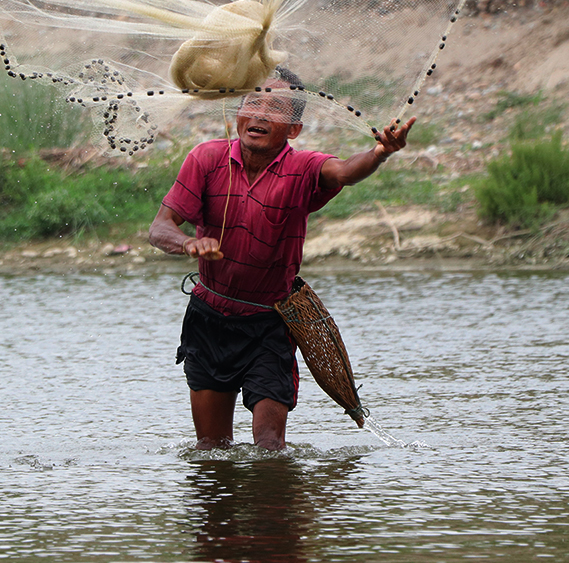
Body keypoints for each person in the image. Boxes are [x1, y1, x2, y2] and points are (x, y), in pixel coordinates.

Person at [148, 68, 414, 450]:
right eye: (252, 102)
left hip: (269, 324)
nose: (259, 113)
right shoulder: (206, 159)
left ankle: (272, 507)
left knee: (270, 447)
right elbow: (160, 228)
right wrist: (188, 244)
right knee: (210, 449)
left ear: (293, 130)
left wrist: (379, 152)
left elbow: (345, 171)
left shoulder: (304, 169)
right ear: (237, 113)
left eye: (274, 108)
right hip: (208, 321)